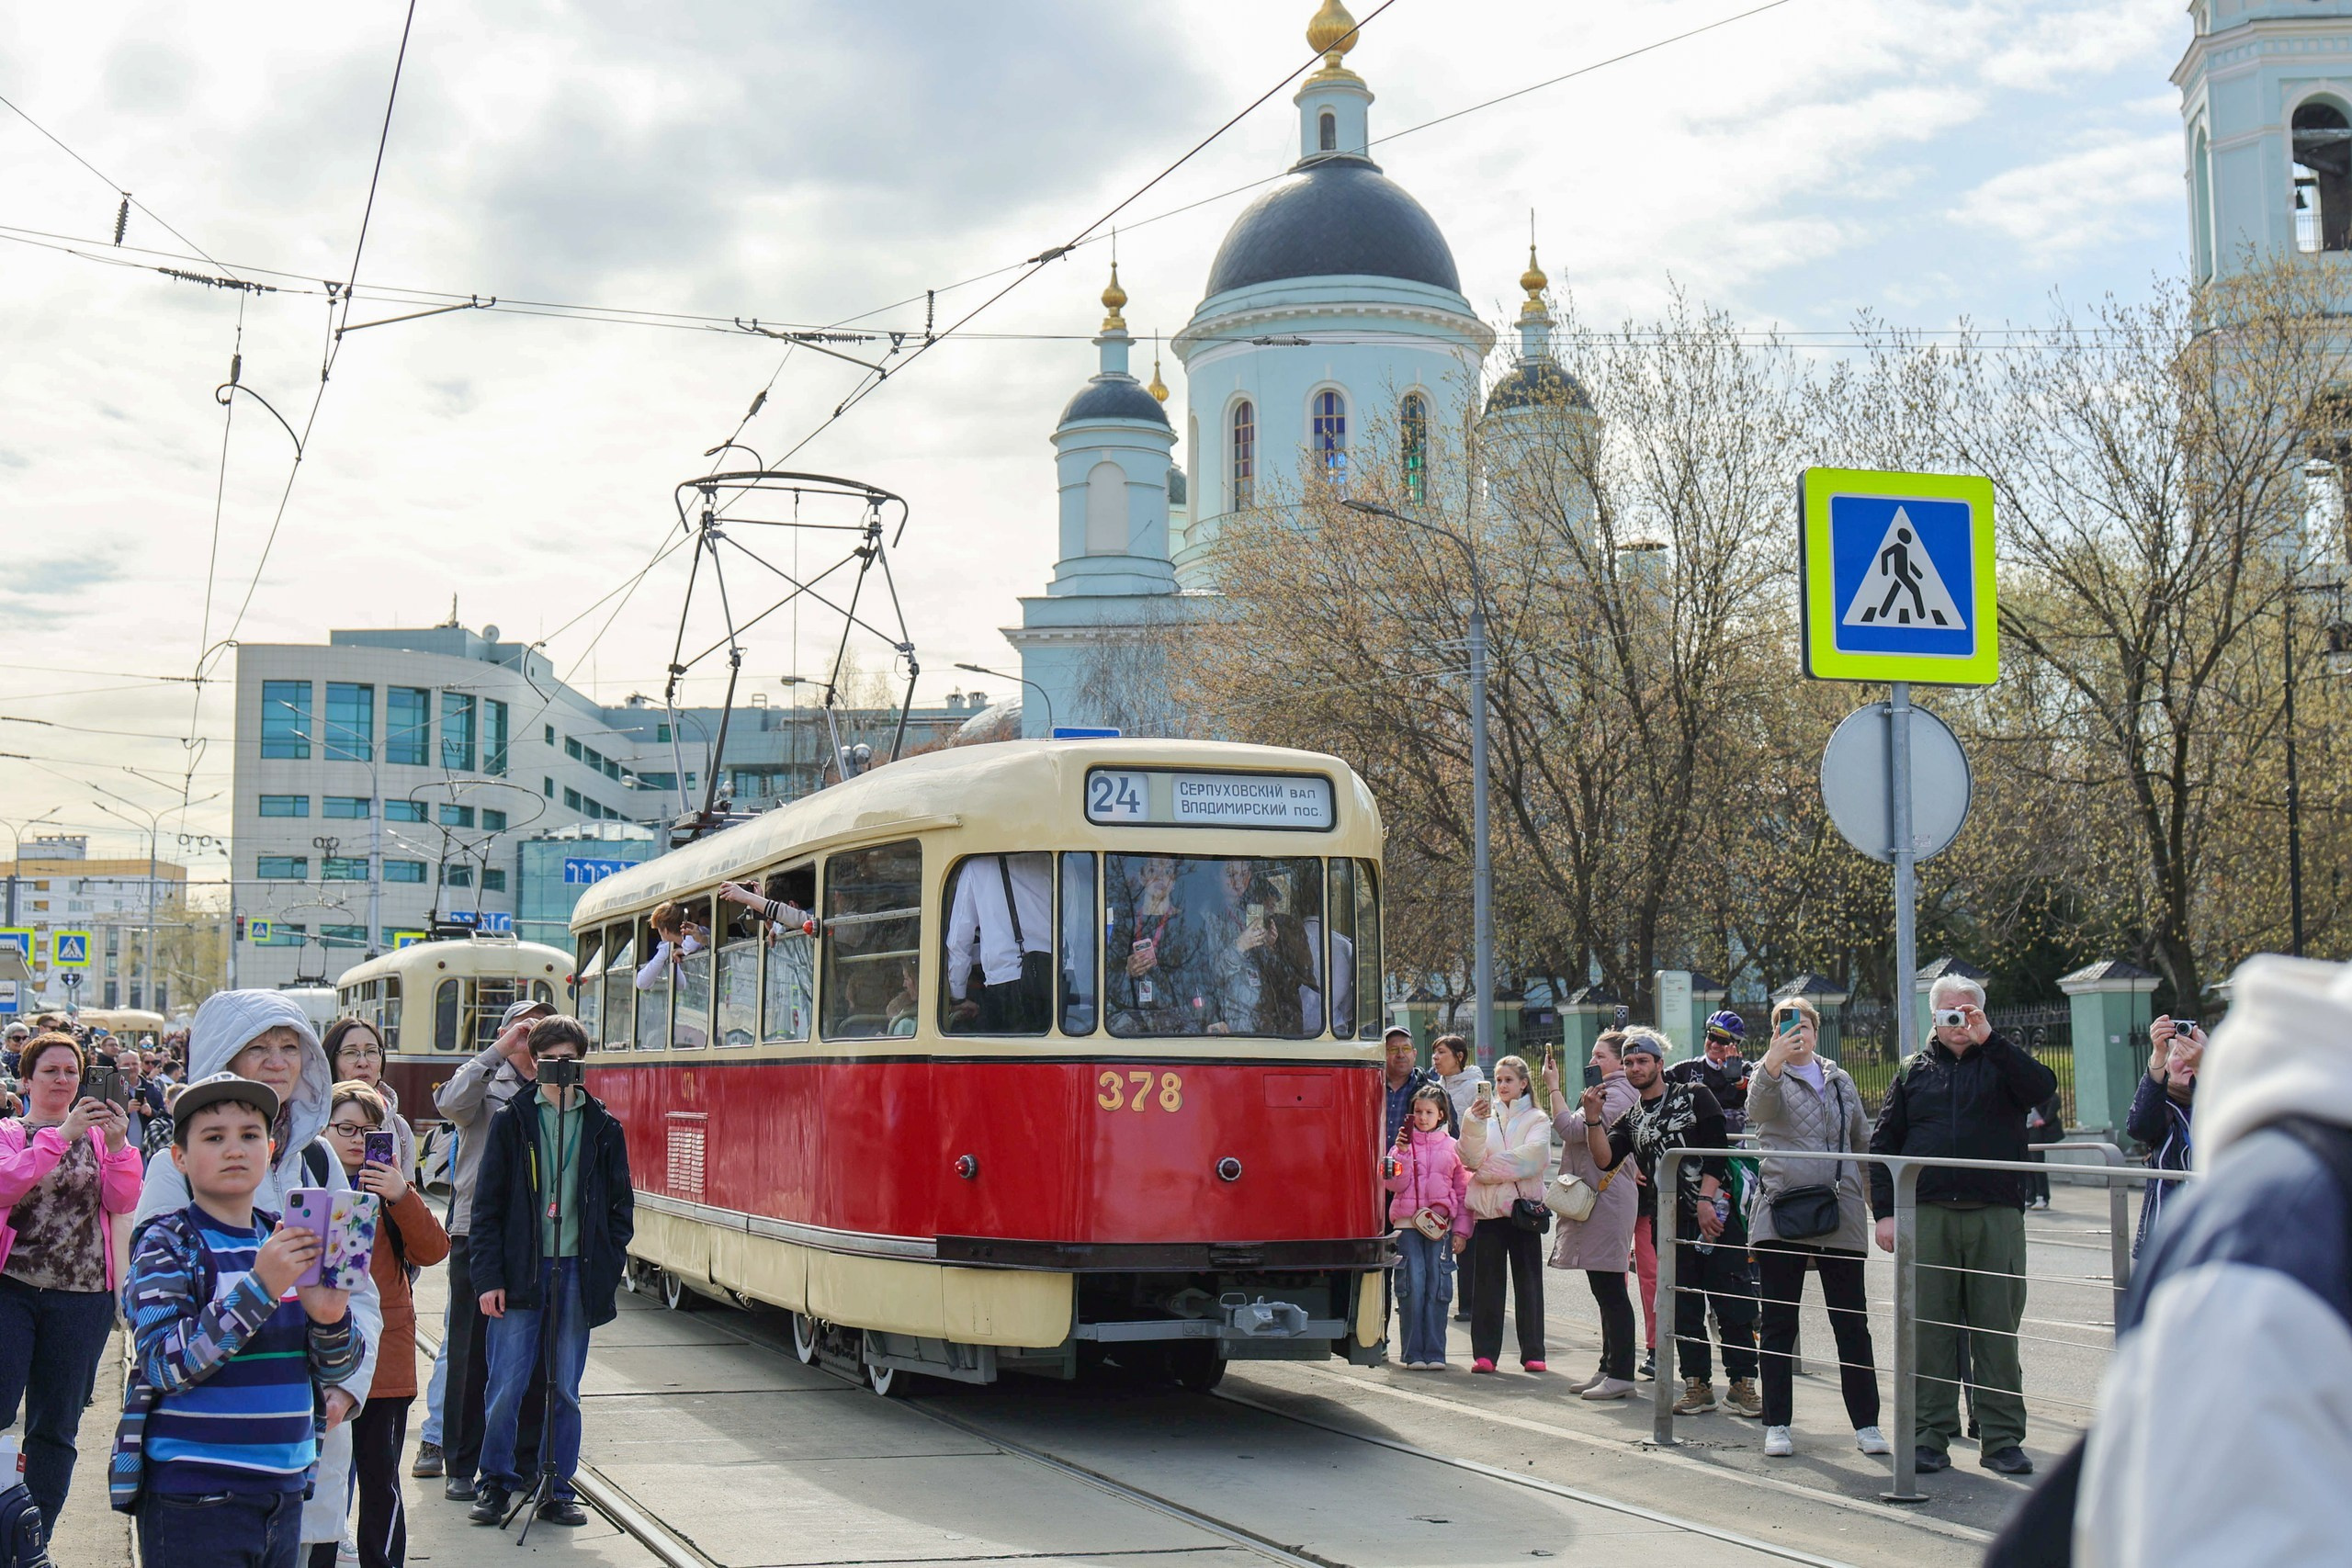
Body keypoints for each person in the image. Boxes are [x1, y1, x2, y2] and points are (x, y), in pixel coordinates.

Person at [2050, 954, 2352, 1566]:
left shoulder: (2265, 1200)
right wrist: (2157, 1067)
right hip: (2174, 1236)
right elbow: (2138, 1124)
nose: (2186, 1064)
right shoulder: (2262, 1221)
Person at [131, 989, 383, 1563]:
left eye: (290, 1047)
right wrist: (262, 1285)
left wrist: (345, 1378)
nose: (277, 1062)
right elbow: (158, 1340)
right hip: (198, 1480)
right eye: (258, 1047)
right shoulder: (172, 1201)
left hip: (292, 1461)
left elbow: (353, 1290)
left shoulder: (318, 1159)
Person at [1868, 972, 2057, 1478]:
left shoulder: (2002, 1063)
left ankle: (2002, 1440)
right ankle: (1927, 1436)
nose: (1958, 1020)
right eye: (1949, 1011)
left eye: (1968, 1010)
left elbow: (2042, 1088)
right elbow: (1884, 1145)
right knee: (1928, 1330)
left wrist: (1990, 1039)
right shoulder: (1912, 1071)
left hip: (1995, 1214)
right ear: (1933, 1016)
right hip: (1928, 1214)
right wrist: (1884, 1213)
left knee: (1996, 1332)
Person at [468, 1016, 633, 1528]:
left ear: (582, 1062)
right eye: (551, 1060)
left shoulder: (604, 1127)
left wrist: (606, 1264)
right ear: (535, 1063)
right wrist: (489, 1278)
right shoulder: (512, 1120)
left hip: (577, 1272)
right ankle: (495, 1482)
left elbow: (621, 1208)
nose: (561, 1069)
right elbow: (486, 1208)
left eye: (570, 1060)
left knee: (565, 1389)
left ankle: (557, 1487)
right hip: (521, 1271)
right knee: (506, 1384)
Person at [0, 1031, 142, 1534]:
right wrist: (61, 1135)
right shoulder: (11, 1132)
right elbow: (5, 1183)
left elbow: (123, 1201)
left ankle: (32, 1541)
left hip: (83, 1299)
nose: (62, 1080)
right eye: (50, 1071)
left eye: (71, 1072)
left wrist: (120, 1145)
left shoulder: (101, 1139)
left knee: (56, 1428)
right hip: (11, 1290)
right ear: (26, 1080)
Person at [1586, 1027, 1759, 1416]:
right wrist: (1593, 1120)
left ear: (1659, 1064)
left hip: (1716, 1216)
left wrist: (1706, 1199)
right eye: (1628, 1062)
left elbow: (1716, 1149)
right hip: (1668, 1224)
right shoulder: (1631, 1118)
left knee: (1732, 1302)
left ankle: (1743, 1385)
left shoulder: (1694, 1095)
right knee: (1683, 1307)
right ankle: (1697, 1386)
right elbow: (1604, 1159)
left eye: (1642, 1061)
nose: (1635, 1068)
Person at [1744, 998, 1889, 1459]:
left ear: (1816, 1030)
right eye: (1787, 1026)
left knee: (1851, 1323)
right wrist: (1773, 1060)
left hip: (1840, 1211)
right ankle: (1777, 1424)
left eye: (1804, 1025)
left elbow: (1862, 1143)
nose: (1797, 1032)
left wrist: (1881, 1210)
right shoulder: (1767, 1074)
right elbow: (1758, 1111)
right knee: (1779, 1323)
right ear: (1775, 1033)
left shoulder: (1840, 1079)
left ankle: (1867, 1424)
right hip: (1781, 1210)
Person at [320, 1080, 448, 1568]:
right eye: (346, 1128)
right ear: (322, 1130)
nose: (358, 1140)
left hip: (385, 1359)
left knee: (380, 1482)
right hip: (324, 1351)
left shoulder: (391, 1190)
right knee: (324, 1485)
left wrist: (401, 1195)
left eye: (370, 1131)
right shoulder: (307, 1183)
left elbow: (432, 1251)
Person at [431, 997, 550, 1504]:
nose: (532, 1038)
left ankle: (523, 1462)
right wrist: (500, 1050)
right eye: (524, 1029)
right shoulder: (486, 1081)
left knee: (532, 1358)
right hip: (476, 1231)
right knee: (469, 1350)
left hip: (539, 1237)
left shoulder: (558, 1083)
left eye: (542, 1028)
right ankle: (460, 1463)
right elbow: (450, 1104)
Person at [1548, 1032, 1640, 1400]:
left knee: (1611, 1289)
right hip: (1600, 1197)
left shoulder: (1618, 1093)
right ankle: (1608, 1366)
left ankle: (1622, 1373)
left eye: (1600, 1056)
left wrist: (1553, 1088)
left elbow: (1571, 1129)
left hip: (1609, 1199)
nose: (1592, 1062)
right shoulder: (1603, 1090)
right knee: (1603, 1287)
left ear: (1619, 1061)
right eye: (1592, 1055)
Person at [1459, 1055, 1549, 1374]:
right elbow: (1468, 1158)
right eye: (1497, 1080)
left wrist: (1484, 1172)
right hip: (1488, 1212)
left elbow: (1533, 1159)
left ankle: (1533, 1352)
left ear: (1523, 1083)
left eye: (1508, 1080)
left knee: (1529, 1284)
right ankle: (1484, 1354)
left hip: (1524, 1210)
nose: (1501, 1085)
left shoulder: (1538, 1118)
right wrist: (1472, 1122)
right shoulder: (1481, 1116)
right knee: (1486, 1286)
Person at [1383, 1085, 1469, 1368]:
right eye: (1417, 1112)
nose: (1422, 1117)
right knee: (1411, 1285)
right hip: (1407, 1226)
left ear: (1441, 1114)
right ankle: (1412, 1353)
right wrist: (1402, 1152)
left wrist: (1461, 1231)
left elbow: (1462, 1191)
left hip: (1439, 1228)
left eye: (1429, 1112)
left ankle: (1435, 1353)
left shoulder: (1453, 1147)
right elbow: (1393, 1185)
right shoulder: (1399, 1148)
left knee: (1438, 1287)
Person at [943, 853, 1052, 1034]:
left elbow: (959, 942)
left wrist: (957, 996)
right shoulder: (1054, 859)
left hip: (1007, 984)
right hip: (1056, 976)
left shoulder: (977, 866)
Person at [2126, 1014, 2201, 1256]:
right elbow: (2138, 1128)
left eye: (2197, 1051)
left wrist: (2202, 1070)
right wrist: (2158, 1053)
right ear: (2167, 1065)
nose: (2188, 1059)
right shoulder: (2161, 1105)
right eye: (2179, 1054)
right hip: (2165, 1232)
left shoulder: (2229, 1100)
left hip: (2211, 1231)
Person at [1105, 856, 1200, 1035]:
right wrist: (1127, 970)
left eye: (1167, 872)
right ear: (1141, 877)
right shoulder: (1125, 921)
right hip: (1131, 1015)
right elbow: (1107, 978)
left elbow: (1198, 977)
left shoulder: (1188, 923)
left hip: (1177, 1017)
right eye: (1152, 870)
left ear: (1174, 881)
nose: (1160, 878)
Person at [323, 1016, 415, 1176]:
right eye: (350, 1053)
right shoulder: (310, 1121)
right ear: (332, 1060)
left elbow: (408, 1185)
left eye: (372, 1051)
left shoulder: (400, 1129)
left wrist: (401, 1189)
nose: (363, 1063)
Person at [1668, 1011, 1754, 1133]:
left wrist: (1739, 1080)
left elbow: (1760, 1093)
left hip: (1732, 1139)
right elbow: (1656, 1081)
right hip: (1697, 1140)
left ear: (1735, 1044)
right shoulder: (1686, 1068)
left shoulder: (1746, 1069)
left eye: (1722, 1041)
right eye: (1711, 1037)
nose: (1714, 1045)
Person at [1382, 1027, 1453, 1145]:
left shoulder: (1435, 1092)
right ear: (1382, 1055)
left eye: (1406, 1048)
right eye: (1393, 1050)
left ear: (1414, 1054)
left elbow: (1451, 1137)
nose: (1401, 1054)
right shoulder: (1368, 1090)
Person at [1430, 1034, 1485, 1128]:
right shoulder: (1433, 1089)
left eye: (1441, 1052)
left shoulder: (1475, 1087)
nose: (1435, 1057)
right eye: (1434, 1053)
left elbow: (1485, 1125)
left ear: (1459, 1056)